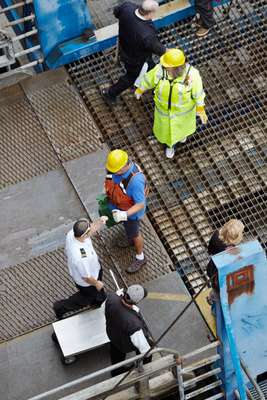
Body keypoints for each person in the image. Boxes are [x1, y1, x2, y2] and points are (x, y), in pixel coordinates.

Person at [135, 48, 208, 159]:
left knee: (182, 129)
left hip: (183, 114)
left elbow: (198, 92)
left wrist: (200, 107)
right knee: (168, 134)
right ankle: (170, 146)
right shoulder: (160, 70)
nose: (165, 67)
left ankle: (181, 136)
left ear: (177, 67)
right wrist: (141, 88)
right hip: (163, 113)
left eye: (168, 66)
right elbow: (149, 79)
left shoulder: (192, 75)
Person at [101, 0, 166, 106]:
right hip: (135, 59)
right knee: (131, 77)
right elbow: (159, 49)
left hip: (124, 47)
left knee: (151, 68)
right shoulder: (147, 34)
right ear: (150, 13)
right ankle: (109, 93)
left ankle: (154, 85)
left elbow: (116, 12)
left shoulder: (127, 7)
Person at [53, 217, 107, 319]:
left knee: (98, 293)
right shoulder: (80, 257)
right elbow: (86, 278)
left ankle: (99, 300)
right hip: (88, 282)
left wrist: (100, 221)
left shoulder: (72, 233)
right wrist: (97, 283)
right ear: (84, 235)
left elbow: (91, 228)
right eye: (89, 230)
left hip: (95, 269)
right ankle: (61, 307)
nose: (92, 228)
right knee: (87, 297)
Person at [105, 149, 147, 273]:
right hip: (120, 205)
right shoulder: (116, 169)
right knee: (129, 230)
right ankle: (129, 239)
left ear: (124, 166)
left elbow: (140, 204)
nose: (113, 172)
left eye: (116, 170)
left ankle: (141, 257)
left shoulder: (135, 181)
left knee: (135, 233)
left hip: (130, 213)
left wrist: (124, 214)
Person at [105, 284, 152, 376]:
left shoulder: (111, 298)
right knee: (148, 350)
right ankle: (144, 370)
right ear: (136, 302)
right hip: (124, 342)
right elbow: (144, 348)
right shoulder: (134, 324)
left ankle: (116, 372)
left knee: (116, 357)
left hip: (112, 334)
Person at [207, 219, 244, 293]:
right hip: (219, 275)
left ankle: (212, 293)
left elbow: (210, 250)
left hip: (211, 267)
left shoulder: (216, 235)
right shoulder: (232, 251)